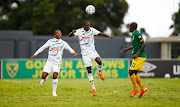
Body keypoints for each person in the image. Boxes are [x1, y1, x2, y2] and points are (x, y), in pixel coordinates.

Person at [69, 20, 114, 96]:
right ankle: (93, 88)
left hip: (92, 51)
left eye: (89, 25)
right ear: (83, 26)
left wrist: (109, 36)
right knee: (89, 70)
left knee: (99, 61)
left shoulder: (92, 30)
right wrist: (72, 32)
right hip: (85, 54)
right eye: (87, 25)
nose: (88, 27)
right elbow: (70, 35)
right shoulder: (79, 31)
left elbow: (101, 34)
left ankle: (99, 72)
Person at [30, 30, 78, 96]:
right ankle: (45, 78)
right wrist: (35, 54)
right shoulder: (50, 41)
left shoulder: (63, 43)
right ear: (55, 34)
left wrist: (73, 52)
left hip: (57, 63)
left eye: (60, 33)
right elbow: (43, 47)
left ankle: (54, 92)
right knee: (43, 76)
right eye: (57, 33)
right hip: (49, 62)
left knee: (55, 76)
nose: (59, 34)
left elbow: (69, 48)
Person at [120, 22, 147, 98]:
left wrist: (137, 54)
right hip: (137, 57)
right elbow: (135, 45)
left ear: (132, 27)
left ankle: (135, 89)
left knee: (130, 71)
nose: (129, 28)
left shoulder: (137, 33)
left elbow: (144, 44)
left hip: (140, 56)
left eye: (129, 27)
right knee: (134, 73)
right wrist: (127, 49)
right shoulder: (133, 34)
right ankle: (143, 88)